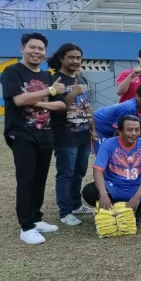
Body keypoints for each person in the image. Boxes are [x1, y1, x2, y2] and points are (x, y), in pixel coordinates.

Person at [1, 33, 66, 244]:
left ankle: (36, 219)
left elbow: (61, 105)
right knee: (26, 179)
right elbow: (19, 100)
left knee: (40, 179)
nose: (36, 52)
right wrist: (48, 92)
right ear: (22, 48)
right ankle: (26, 226)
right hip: (21, 133)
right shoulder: (12, 72)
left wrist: (39, 102)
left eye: (40, 49)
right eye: (32, 47)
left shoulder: (47, 75)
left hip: (45, 133)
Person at [82, 116, 141, 222]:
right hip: (113, 186)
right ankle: (113, 207)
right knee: (89, 192)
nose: (134, 133)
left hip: (137, 187)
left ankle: (136, 208)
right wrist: (103, 195)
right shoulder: (108, 144)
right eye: (129, 130)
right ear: (120, 131)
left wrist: (138, 196)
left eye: (137, 130)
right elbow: (98, 170)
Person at [48, 43, 97, 226]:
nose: (76, 61)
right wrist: (72, 93)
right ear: (62, 58)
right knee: (66, 173)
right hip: (65, 135)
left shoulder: (82, 79)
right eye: (71, 57)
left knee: (79, 172)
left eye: (78, 57)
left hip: (83, 134)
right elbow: (59, 109)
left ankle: (76, 205)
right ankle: (65, 211)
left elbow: (87, 106)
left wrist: (93, 129)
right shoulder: (55, 81)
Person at [93, 83, 141, 154]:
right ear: (138, 97)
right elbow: (118, 131)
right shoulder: (129, 108)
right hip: (100, 124)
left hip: (115, 127)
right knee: (107, 154)